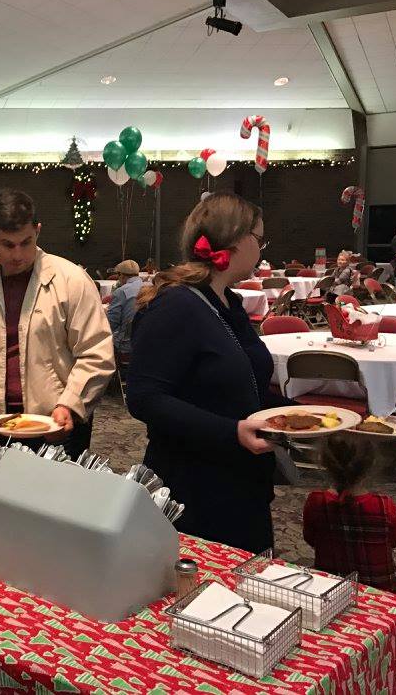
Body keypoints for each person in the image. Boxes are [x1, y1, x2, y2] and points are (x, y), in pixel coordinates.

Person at [125, 194, 281, 554]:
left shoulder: (229, 301)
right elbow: (144, 398)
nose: (261, 248)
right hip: (193, 485)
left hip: (239, 479)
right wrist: (232, 432)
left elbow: (246, 383)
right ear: (237, 239)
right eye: (259, 239)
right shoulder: (175, 304)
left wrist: (306, 415)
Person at [0, 189, 114, 460]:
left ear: (38, 231)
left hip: (59, 424)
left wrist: (69, 405)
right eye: (7, 244)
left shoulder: (73, 281)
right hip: (0, 426)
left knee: (59, 501)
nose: (18, 254)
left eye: (26, 242)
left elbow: (96, 354)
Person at [303, 435, 396, 595]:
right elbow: (394, 541)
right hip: (379, 592)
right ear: (371, 463)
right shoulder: (384, 505)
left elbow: (310, 538)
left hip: (331, 588)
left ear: (323, 461)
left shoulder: (316, 501)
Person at [106, 259, 144, 360]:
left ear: (121, 275)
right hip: (146, 341)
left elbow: (111, 324)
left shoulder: (121, 292)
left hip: (126, 346)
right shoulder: (149, 287)